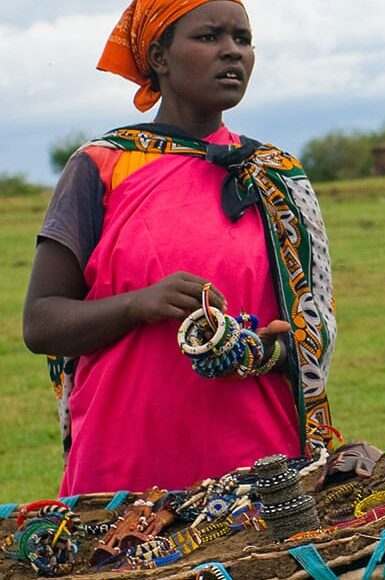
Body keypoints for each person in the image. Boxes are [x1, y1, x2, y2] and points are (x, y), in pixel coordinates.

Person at [22, 0, 336, 496]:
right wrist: (138, 304)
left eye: (243, 39)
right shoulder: (102, 166)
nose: (232, 53)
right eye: (209, 37)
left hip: (260, 468)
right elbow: (40, 324)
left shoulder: (277, 178)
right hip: (122, 466)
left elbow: (311, 336)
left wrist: (253, 351)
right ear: (159, 57)